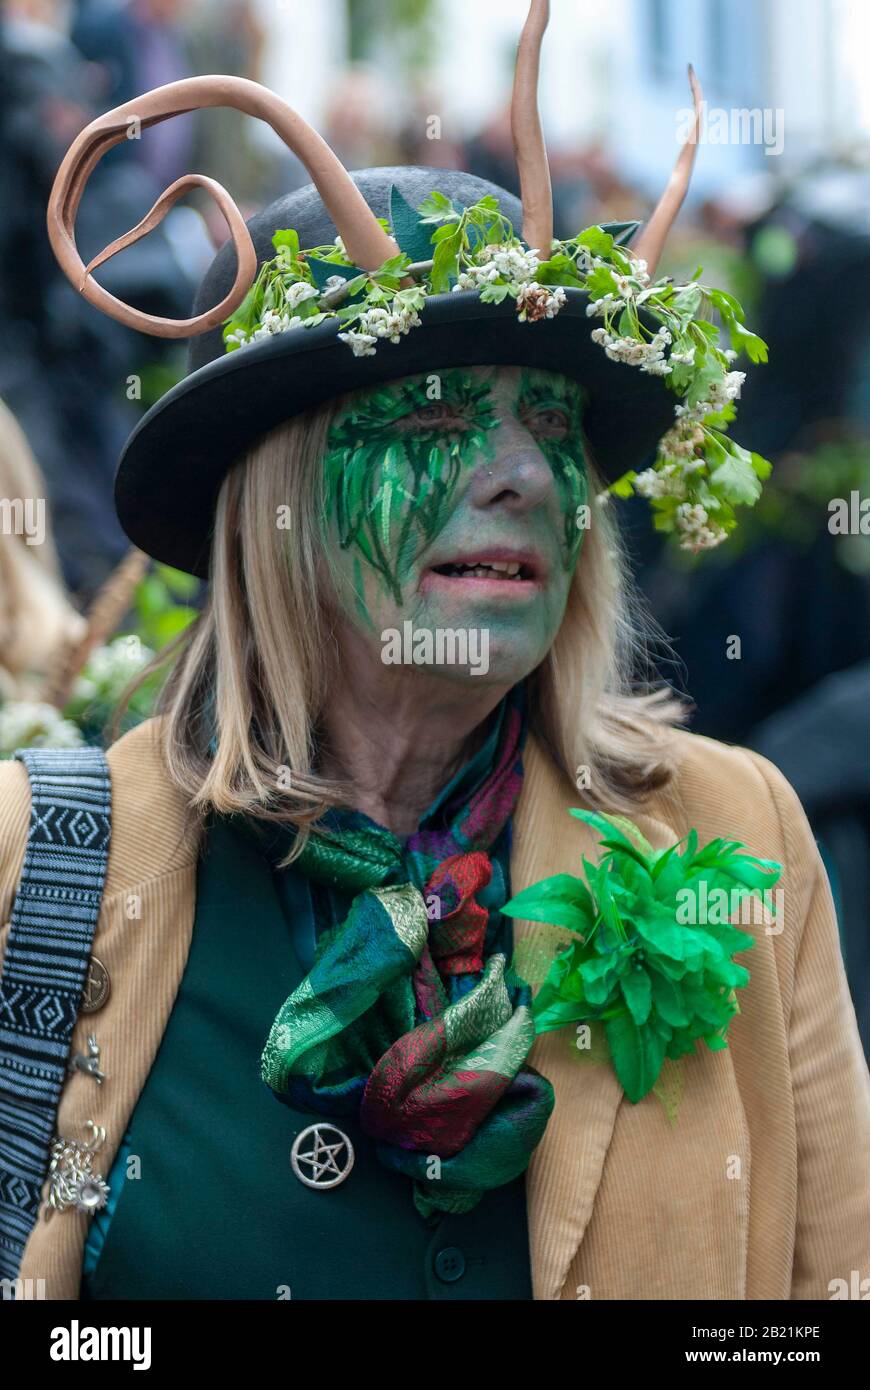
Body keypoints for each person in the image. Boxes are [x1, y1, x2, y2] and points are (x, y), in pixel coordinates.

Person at [2, 1, 869, 1301]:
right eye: (431, 413)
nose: (519, 471)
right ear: (279, 498)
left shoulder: (733, 833)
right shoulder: (47, 862)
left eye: (550, 423)